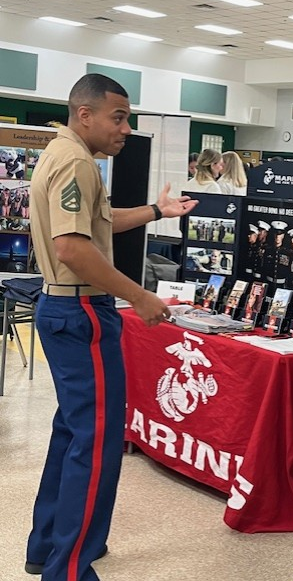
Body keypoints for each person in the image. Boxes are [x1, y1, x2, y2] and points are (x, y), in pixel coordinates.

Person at [25, 73, 198, 581]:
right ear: (86, 115)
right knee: (97, 439)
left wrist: (155, 211)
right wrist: (139, 295)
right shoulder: (77, 160)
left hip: (64, 308)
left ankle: (50, 546)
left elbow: (95, 224)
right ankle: (70, 568)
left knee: (73, 431)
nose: (126, 129)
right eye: (118, 117)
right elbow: (72, 249)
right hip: (81, 312)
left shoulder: (63, 154)